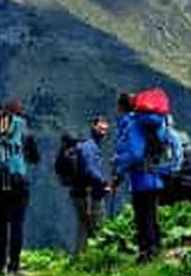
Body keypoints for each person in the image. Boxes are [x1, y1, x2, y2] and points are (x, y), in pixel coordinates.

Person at [115, 90, 181, 262]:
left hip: (139, 179)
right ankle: (156, 248)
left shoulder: (134, 125)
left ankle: (146, 252)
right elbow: (176, 146)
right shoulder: (161, 125)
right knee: (152, 215)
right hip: (157, 177)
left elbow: (135, 154)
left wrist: (119, 163)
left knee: (142, 217)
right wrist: (167, 169)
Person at [0, 99, 32, 276]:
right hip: (17, 177)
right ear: (18, 112)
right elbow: (31, 148)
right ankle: (14, 265)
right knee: (17, 224)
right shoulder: (21, 125)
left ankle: (1, 265)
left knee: (0, 224)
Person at [70, 117, 111, 253]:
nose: (103, 133)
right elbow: (90, 170)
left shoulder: (87, 146)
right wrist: (104, 183)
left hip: (81, 192)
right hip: (89, 193)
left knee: (84, 224)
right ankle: (98, 254)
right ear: (93, 127)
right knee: (97, 223)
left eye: (105, 130)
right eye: (100, 129)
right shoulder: (89, 147)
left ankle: (80, 255)